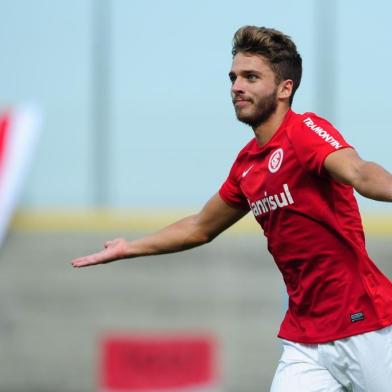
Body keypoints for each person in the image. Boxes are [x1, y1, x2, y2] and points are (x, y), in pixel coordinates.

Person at [72, 26, 392, 391]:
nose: (236, 86)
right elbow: (199, 227)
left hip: (365, 323)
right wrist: (129, 247)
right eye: (234, 77)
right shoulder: (247, 166)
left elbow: (360, 172)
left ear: (285, 88)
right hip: (306, 339)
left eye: (251, 77)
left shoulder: (304, 133)